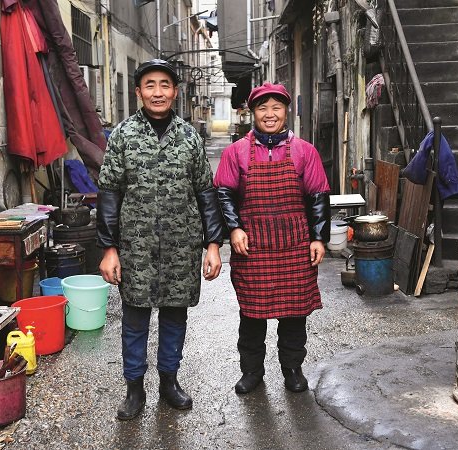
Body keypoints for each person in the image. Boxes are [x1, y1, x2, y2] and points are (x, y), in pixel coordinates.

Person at [96, 59, 224, 420]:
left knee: (174, 316)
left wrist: (213, 244)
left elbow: (205, 193)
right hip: (135, 247)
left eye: (164, 85)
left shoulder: (189, 137)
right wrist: (109, 248)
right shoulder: (122, 135)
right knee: (134, 318)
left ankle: (169, 381)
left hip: (181, 245)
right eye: (150, 85)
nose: (157, 92)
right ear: (138, 92)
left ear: (175, 91)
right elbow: (109, 193)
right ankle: (134, 388)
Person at [214, 82, 331, 395]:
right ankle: (252, 372)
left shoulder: (305, 151)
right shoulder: (235, 152)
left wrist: (318, 237)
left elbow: (319, 195)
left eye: (276, 107)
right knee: (252, 315)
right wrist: (234, 228)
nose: (269, 114)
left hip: (295, 246)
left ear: (286, 111)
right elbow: (223, 194)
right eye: (262, 108)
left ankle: (292, 369)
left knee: (294, 315)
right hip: (252, 247)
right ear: (252, 112)